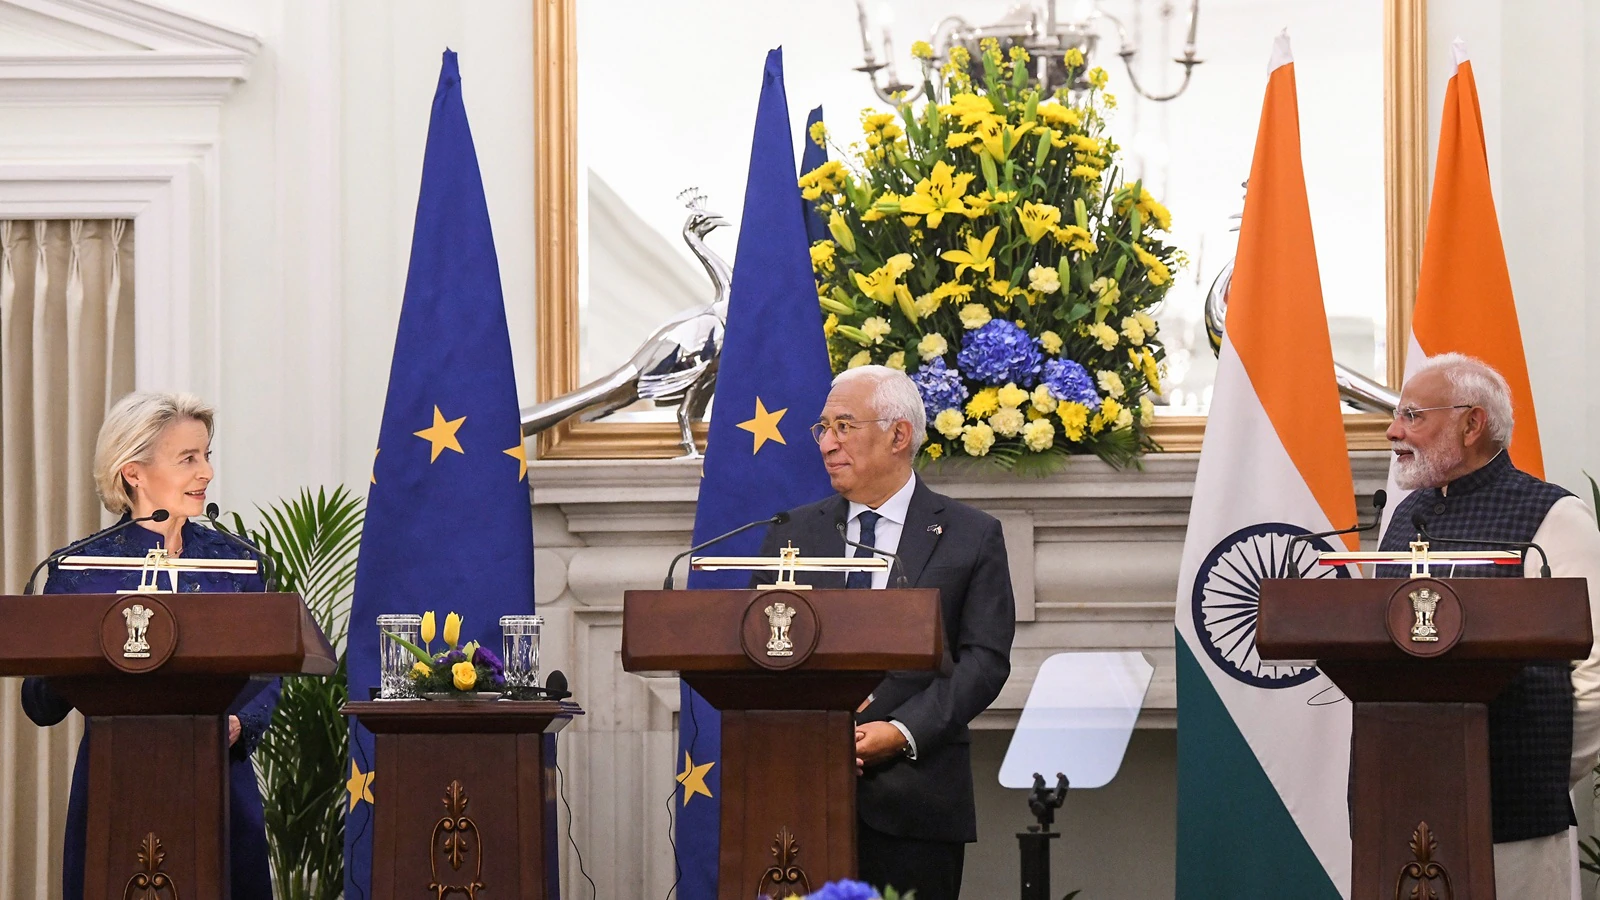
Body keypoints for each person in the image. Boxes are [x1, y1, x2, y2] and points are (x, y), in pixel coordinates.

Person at [757, 365, 1016, 900]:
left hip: (916, 801)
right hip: (800, 795)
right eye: (822, 429)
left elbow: (984, 661)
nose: (827, 443)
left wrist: (900, 732)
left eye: (844, 426)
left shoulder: (972, 535)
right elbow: (766, 651)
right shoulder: (791, 532)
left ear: (899, 435)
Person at [20, 391, 278, 900]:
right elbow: (40, 704)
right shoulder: (81, 570)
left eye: (206, 455)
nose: (205, 472)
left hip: (219, 779)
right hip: (117, 786)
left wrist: (239, 723)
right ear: (133, 472)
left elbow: (268, 676)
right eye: (188, 458)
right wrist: (71, 657)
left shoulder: (237, 563)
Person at [1379, 353, 1600, 898]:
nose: (1393, 431)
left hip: (1517, 810)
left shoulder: (1554, 517)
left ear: (1472, 423)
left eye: (1412, 415)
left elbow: (1594, 673)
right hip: (1403, 806)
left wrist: (1545, 769)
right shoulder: (1405, 517)